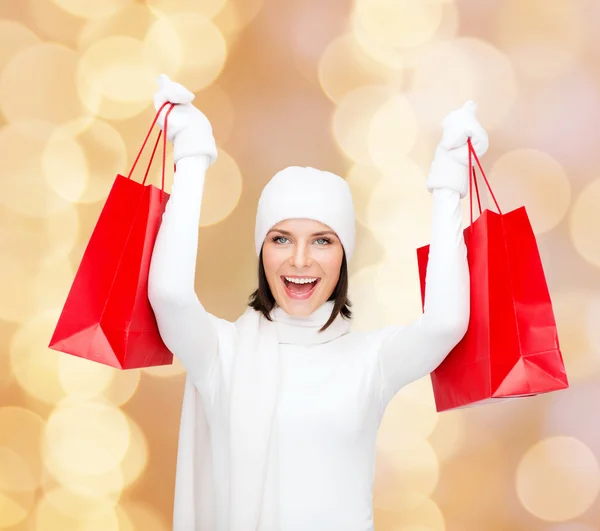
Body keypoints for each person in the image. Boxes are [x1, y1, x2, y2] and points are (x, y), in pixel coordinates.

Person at [148, 74, 488, 531]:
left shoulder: (372, 361)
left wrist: (448, 185)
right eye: (282, 238)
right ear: (261, 250)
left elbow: (446, 323)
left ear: (344, 255)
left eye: (322, 240)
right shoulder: (221, 353)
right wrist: (192, 157)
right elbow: (168, 295)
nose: (300, 260)